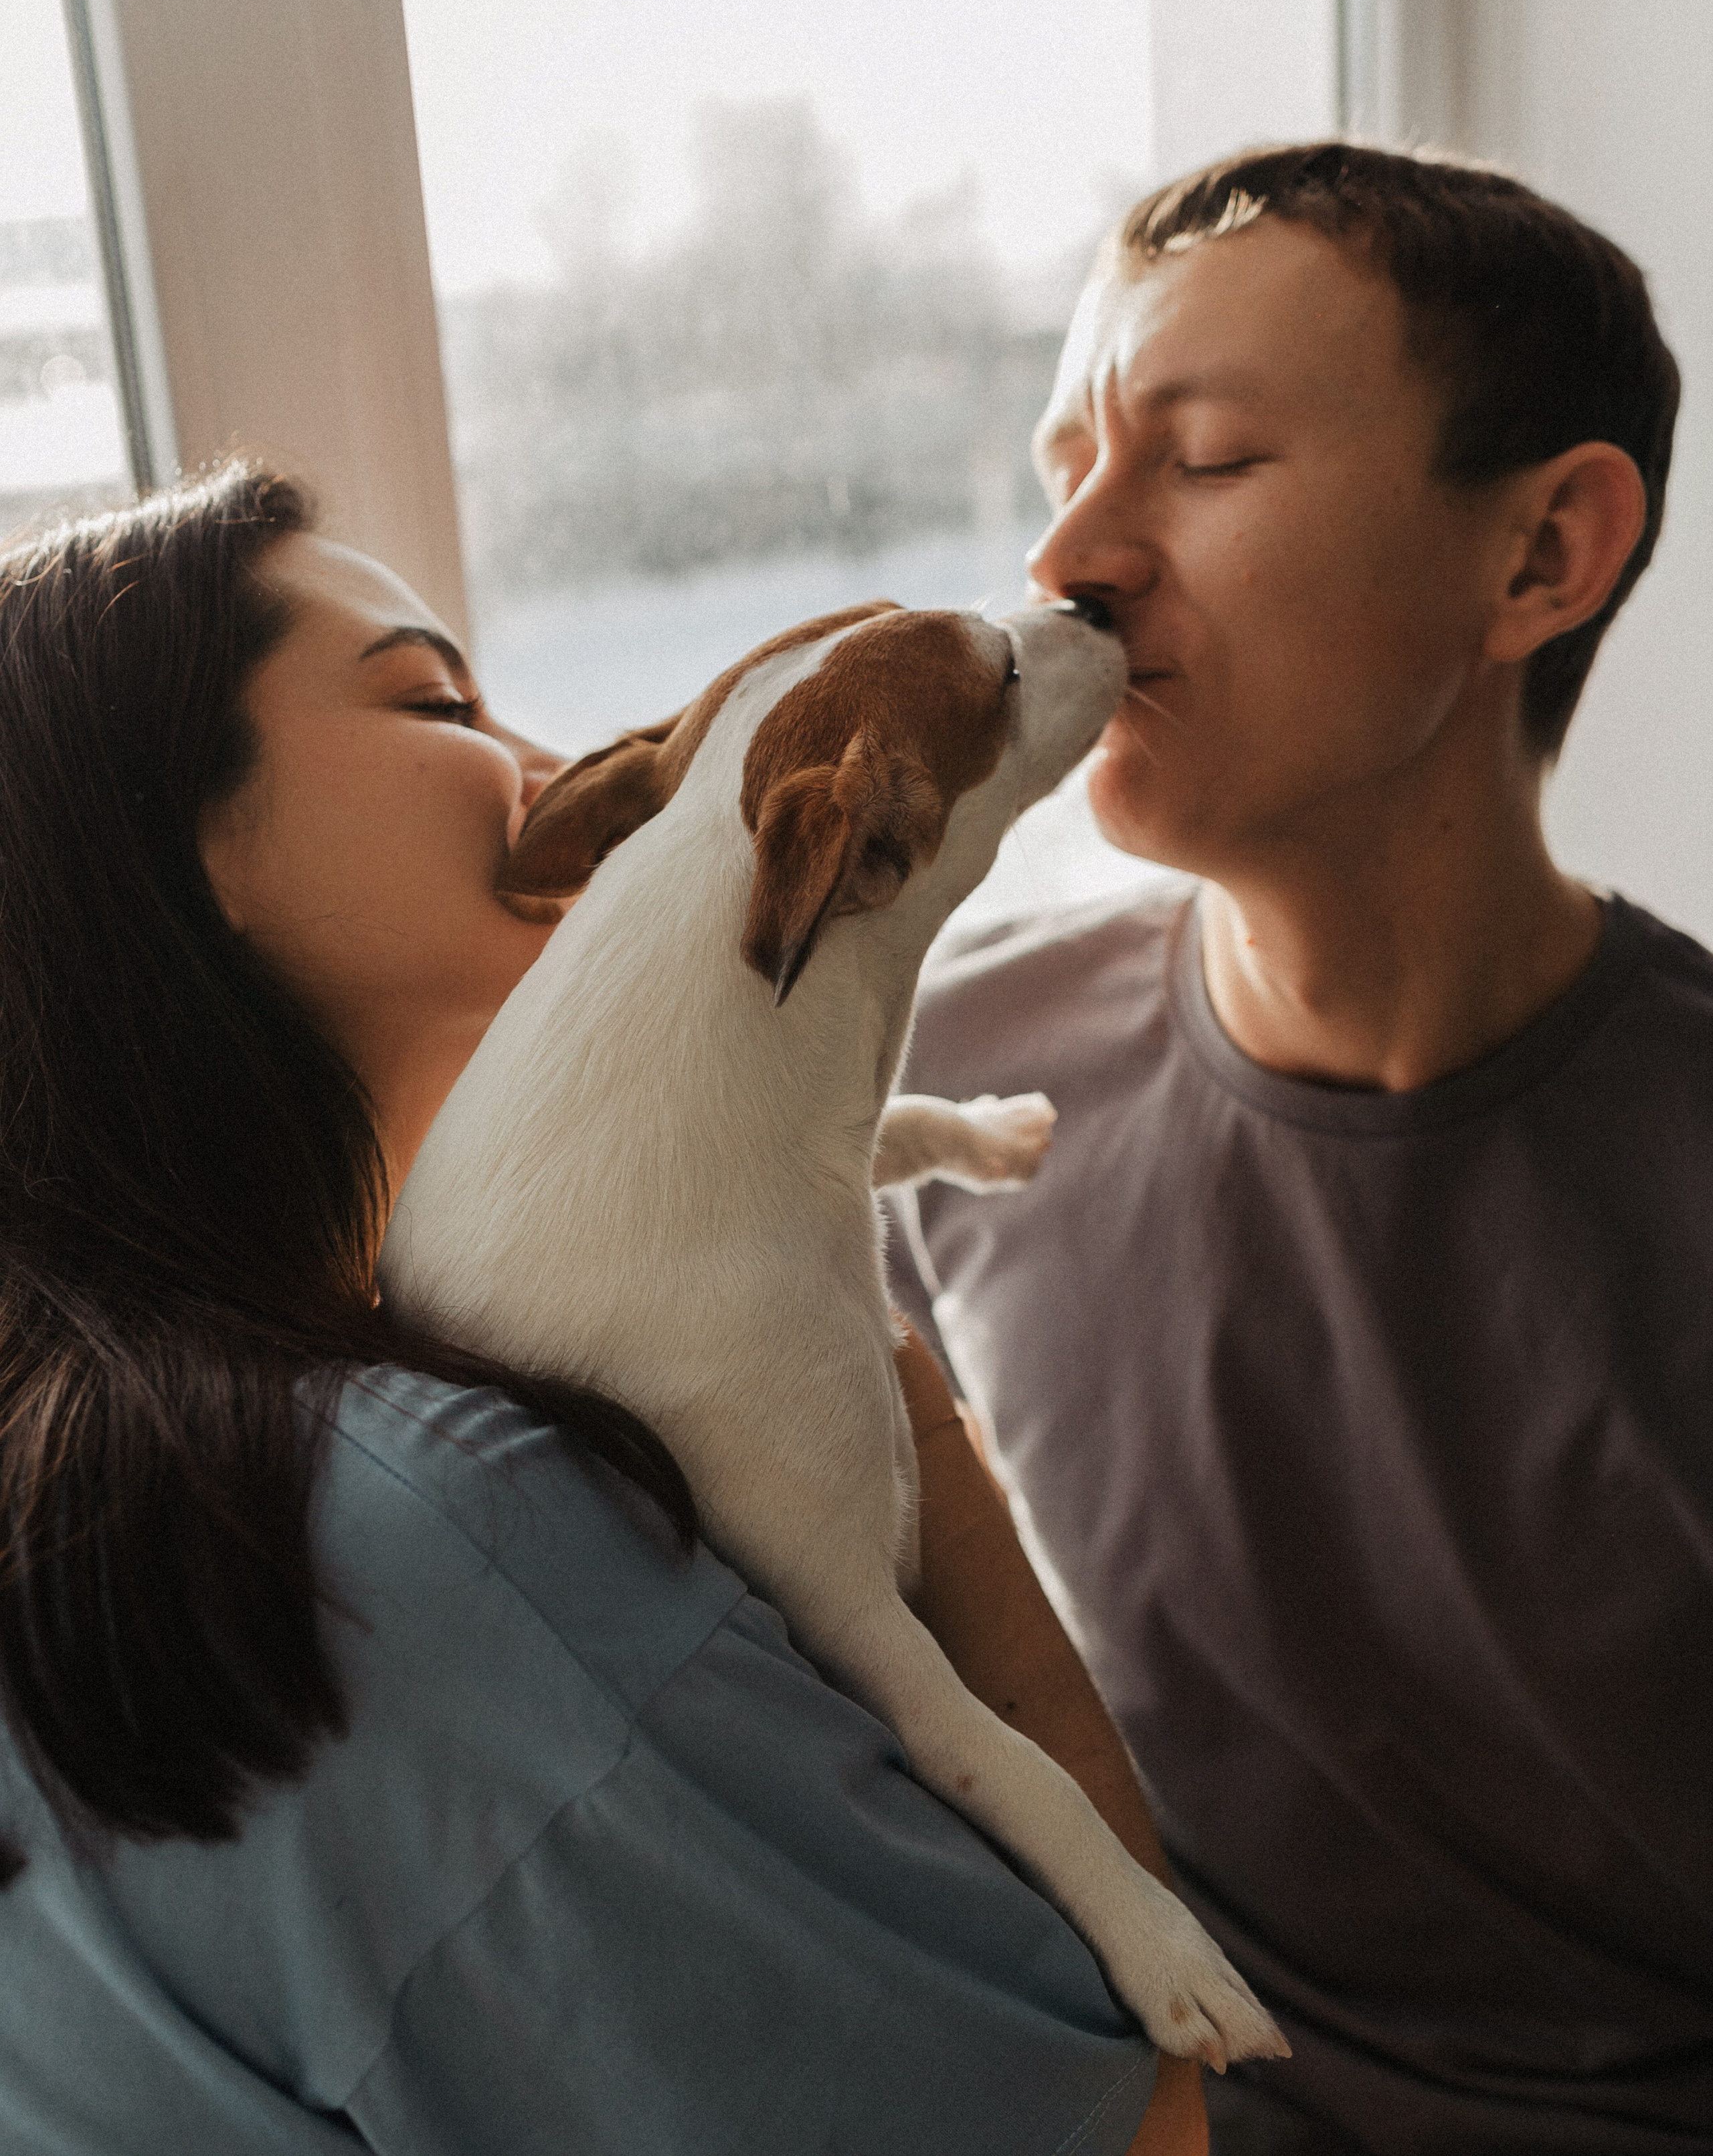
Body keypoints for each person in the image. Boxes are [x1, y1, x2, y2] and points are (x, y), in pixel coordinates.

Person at [0, 466, 1203, 2153]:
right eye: (437, 699)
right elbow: (1125, 2103)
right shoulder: (431, 1538)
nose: (558, 766)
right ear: (194, 848)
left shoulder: (105, 1463)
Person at [887, 143, 1713, 2153]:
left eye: (1212, 458)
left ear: (1541, 554)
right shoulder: (942, 1065)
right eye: (1064, 460)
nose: (1070, 558)